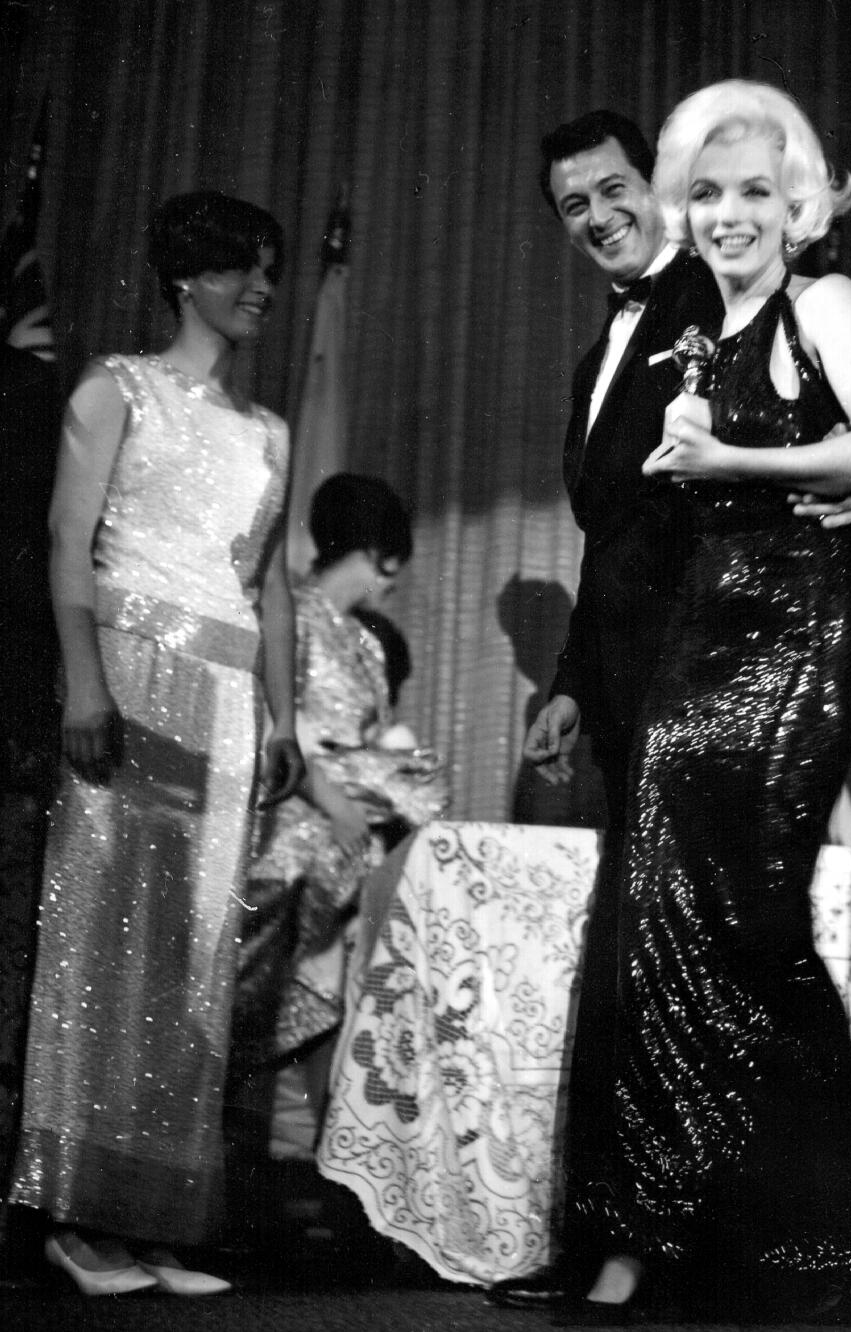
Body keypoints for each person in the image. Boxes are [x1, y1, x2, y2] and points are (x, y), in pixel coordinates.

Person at [492, 110, 851, 1312]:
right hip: (637, 686)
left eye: (617, 191)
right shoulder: (602, 355)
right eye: (576, 207)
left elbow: (847, 439)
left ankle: (724, 1244)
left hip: (734, 667)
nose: (601, 218)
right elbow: (611, 538)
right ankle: (640, 1240)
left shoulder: (717, 293)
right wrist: (572, 682)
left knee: (728, 948)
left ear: (659, 194)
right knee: (648, 964)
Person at [6, 191, 305, 1296]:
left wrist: (280, 711)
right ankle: (78, 1223)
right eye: (246, 269)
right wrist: (84, 683)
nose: (264, 288)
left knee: (189, 960)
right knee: (108, 942)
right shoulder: (114, 390)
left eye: (271, 270)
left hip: (227, 703)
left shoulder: (268, 431)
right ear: (190, 277)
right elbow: (66, 545)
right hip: (132, 680)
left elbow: (268, 582)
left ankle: (148, 1220)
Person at [230, 472, 446, 1161]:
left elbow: (376, 742)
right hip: (292, 822)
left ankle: (331, 1167)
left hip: (354, 839)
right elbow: (271, 725)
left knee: (349, 999)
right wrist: (339, 800)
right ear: (382, 553)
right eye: (392, 565)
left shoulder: (370, 644)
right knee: (259, 997)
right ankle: (245, 1163)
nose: (392, 581)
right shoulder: (288, 615)